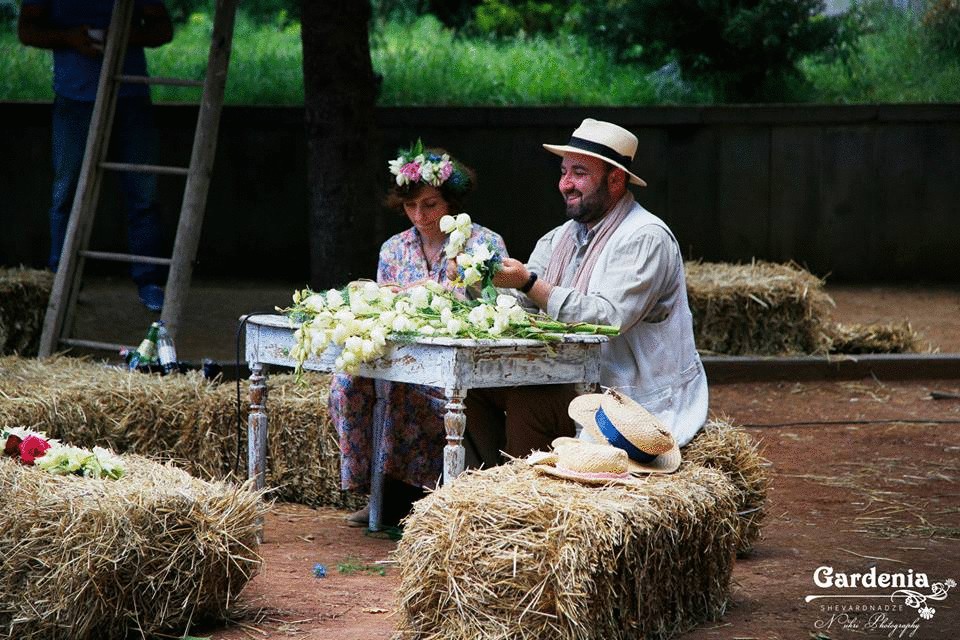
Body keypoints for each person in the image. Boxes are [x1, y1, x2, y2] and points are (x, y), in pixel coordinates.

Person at [467, 118, 708, 459]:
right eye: (564, 172)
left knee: (528, 401)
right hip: (570, 378)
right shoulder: (560, 236)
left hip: (630, 394)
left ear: (615, 179)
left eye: (579, 173)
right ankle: (484, 489)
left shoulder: (645, 237)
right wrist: (480, 283)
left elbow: (608, 319)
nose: (565, 184)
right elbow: (526, 307)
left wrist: (531, 283)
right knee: (473, 390)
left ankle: (525, 499)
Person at [328, 144, 507, 527]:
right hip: (400, 359)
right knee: (347, 381)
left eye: (430, 205)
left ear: (452, 202)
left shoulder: (483, 244)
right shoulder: (394, 248)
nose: (420, 216)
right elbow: (381, 312)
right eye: (411, 207)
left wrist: (433, 293)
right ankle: (376, 489)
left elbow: (490, 311)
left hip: (458, 368)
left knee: (400, 393)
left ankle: (409, 497)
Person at [18, 0, 173, 312]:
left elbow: (163, 29)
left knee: (142, 191)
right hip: (74, 98)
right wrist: (68, 37)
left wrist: (123, 37)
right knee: (67, 190)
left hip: (129, 94)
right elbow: (26, 30)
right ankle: (61, 279)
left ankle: (149, 281)